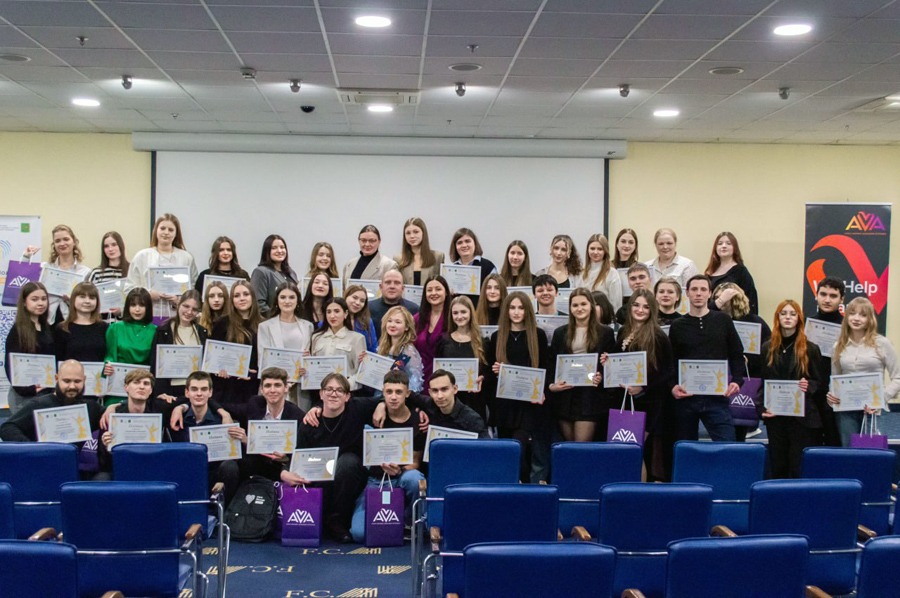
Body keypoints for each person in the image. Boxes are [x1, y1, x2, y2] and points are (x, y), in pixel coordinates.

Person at [281, 373, 379, 543]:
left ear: (347, 396)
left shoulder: (357, 408)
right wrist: (284, 473)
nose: (334, 394)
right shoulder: (309, 423)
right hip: (319, 476)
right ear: (321, 394)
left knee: (347, 463)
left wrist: (381, 406)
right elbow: (297, 457)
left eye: (339, 390)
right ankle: (319, 518)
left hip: (351, 474)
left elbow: (391, 398)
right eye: (329, 389)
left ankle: (337, 522)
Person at [349, 370, 426, 542]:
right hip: (376, 480)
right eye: (389, 392)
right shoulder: (372, 414)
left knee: (415, 479)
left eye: (399, 392)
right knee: (359, 534)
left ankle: (409, 521)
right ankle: (391, 521)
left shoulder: (418, 421)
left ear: (407, 393)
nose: (393, 397)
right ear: (383, 393)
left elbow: (415, 462)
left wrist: (399, 470)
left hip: (402, 477)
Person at [606, 290, 675, 481]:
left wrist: (642, 388)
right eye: (636, 305)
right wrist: (608, 361)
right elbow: (618, 362)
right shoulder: (624, 331)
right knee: (623, 450)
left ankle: (639, 491)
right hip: (624, 400)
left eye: (646, 306)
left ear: (652, 310)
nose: (640, 310)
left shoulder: (658, 336)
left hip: (648, 403)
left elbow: (668, 371)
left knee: (635, 448)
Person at [669, 275, 744, 442]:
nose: (698, 293)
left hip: (717, 398)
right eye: (694, 289)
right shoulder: (677, 325)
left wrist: (737, 380)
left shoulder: (723, 320)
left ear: (710, 293)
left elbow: (736, 353)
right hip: (686, 398)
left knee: (727, 445)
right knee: (685, 448)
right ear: (687, 293)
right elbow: (671, 361)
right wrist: (672, 386)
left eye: (703, 289)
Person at [487, 291, 550, 483]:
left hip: (528, 404)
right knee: (508, 450)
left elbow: (545, 366)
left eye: (521, 308)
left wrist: (543, 392)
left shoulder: (538, 335)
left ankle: (525, 484)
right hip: (505, 405)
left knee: (520, 446)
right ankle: (511, 485)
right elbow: (490, 372)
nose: (516, 312)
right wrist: (495, 370)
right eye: (512, 308)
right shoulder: (497, 336)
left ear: (527, 311)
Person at [760, 301, 823, 478]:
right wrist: (762, 409)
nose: (788, 317)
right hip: (776, 416)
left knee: (797, 465)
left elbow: (819, 381)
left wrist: (808, 385)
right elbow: (763, 382)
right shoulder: (767, 348)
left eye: (792, 314)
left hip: (801, 418)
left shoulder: (810, 349)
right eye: (783, 313)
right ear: (777, 318)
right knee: (778, 463)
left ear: (799, 319)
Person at [827, 297, 900, 446]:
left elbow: (898, 377)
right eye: (852, 313)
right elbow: (835, 378)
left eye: (863, 315)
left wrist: (882, 398)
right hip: (846, 410)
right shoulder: (838, 346)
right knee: (849, 452)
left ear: (870, 319)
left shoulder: (882, 343)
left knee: (871, 453)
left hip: (874, 411)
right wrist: (831, 395)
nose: (856, 318)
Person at [0, 360, 104, 462]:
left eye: (77, 381)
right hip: (40, 463)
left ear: (84, 380)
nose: (72, 386)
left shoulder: (90, 407)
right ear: (56, 378)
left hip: (70, 465)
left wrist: (111, 407)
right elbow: (7, 428)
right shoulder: (39, 404)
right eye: (66, 381)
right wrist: (32, 448)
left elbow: (110, 416)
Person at [548, 289, 614, 442]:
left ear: (591, 306)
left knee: (581, 446)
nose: (579, 308)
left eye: (583, 304)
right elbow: (552, 363)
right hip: (565, 397)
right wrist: (552, 385)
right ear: (570, 308)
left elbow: (609, 365)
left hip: (590, 398)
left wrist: (601, 376)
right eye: (575, 305)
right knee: (569, 447)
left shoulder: (605, 333)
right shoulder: (560, 333)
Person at [169, 370, 242, 506]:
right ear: (187, 393)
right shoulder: (176, 419)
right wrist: (179, 407)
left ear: (210, 392)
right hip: (186, 473)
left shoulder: (223, 420)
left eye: (203, 389)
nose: (199, 393)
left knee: (230, 467)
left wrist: (223, 480)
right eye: (194, 389)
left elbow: (232, 456)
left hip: (213, 474)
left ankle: (223, 513)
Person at [713, 282, 771, 441]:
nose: (720, 302)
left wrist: (749, 359)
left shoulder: (755, 321)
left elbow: (769, 350)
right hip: (719, 379)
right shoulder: (714, 320)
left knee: (739, 426)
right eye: (717, 298)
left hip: (746, 378)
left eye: (724, 299)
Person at [230, 367, 306, 482]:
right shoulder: (255, 404)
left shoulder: (298, 415)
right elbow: (228, 408)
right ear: (261, 389)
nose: (272, 390)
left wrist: (286, 457)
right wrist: (224, 414)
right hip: (255, 467)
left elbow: (302, 451)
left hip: (283, 469)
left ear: (286, 388)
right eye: (268, 386)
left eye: (277, 385)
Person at [127, 214, 198, 324]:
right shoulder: (142, 256)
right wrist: (147, 295)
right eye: (162, 228)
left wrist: (180, 300)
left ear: (176, 233)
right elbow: (129, 288)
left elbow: (193, 288)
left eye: (171, 230)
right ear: (156, 230)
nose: (166, 232)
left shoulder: (186, 258)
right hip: (148, 316)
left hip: (178, 317)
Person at [23, 224, 91, 325]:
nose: (62, 243)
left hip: (73, 322)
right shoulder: (44, 268)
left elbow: (89, 302)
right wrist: (26, 257)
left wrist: (72, 300)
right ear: (54, 245)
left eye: (66, 239)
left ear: (74, 242)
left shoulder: (85, 272)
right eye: (57, 241)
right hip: (46, 322)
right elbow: (23, 279)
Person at [4, 282, 54, 414]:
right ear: (24, 303)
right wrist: (28, 389)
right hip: (24, 396)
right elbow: (10, 365)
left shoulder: (47, 328)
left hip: (46, 393)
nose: (40, 303)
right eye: (34, 299)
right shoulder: (18, 330)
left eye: (43, 299)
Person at [210, 280, 261, 407]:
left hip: (254, 390)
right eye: (236, 295)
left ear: (253, 297)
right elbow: (213, 358)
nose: (242, 298)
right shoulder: (222, 324)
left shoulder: (263, 324)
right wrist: (218, 369)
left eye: (246, 294)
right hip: (227, 390)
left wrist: (255, 375)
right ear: (232, 300)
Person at [436, 296, 488, 421]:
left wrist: (483, 378)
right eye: (455, 313)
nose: (459, 316)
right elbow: (438, 371)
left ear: (471, 313)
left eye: (463, 312)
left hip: (474, 401)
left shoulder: (483, 342)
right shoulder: (443, 340)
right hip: (450, 401)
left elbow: (488, 371)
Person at [149, 290, 207, 401]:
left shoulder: (202, 332)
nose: (189, 312)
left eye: (194, 309)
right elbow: (155, 364)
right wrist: (160, 393)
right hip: (169, 391)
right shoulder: (163, 330)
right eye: (186, 306)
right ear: (179, 304)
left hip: (195, 391)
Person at [104, 288, 156, 405]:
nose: (137, 309)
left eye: (141, 305)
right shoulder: (115, 328)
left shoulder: (155, 331)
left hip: (144, 388)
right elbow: (110, 356)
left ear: (148, 307)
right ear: (127, 307)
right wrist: (107, 366)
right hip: (117, 386)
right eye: (133, 305)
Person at [809, 276, 844, 446]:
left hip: (836, 393)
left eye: (833, 296)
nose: (827, 300)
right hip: (812, 390)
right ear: (816, 296)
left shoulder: (848, 327)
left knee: (834, 439)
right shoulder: (807, 325)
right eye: (823, 294)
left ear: (841, 299)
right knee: (811, 441)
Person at [310, 298, 367, 392]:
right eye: (328, 312)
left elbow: (361, 371)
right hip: (321, 391)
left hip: (347, 391)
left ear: (345, 313)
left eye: (337, 311)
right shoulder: (316, 337)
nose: (332, 316)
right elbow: (313, 367)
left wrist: (344, 386)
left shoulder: (357, 338)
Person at [54, 282, 108, 364]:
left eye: (92, 298)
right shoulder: (62, 328)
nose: (87, 301)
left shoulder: (104, 327)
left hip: (98, 372)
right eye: (82, 297)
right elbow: (58, 359)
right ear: (73, 299)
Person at [706, 232, 759, 315]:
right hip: (713, 316)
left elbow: (751, 299)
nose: (724, 246)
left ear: (734, 248)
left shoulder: (741, 271)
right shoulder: (709, 272)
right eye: (720, 243)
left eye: (728, 243)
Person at [423, 369, 488, 436]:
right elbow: (416, 397)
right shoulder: (429, 407)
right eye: (435, 390)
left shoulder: (472, 419)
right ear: (430, 393)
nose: (440, 396)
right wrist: (419, 409)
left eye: (444, 389)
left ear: (455, 389)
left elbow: (485, 442)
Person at [377, 306, 424, 394]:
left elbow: (416, 384)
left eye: (398, 322)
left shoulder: (409, 351)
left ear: (407, 327)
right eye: (389, 321)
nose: (392, 325)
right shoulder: (382, 347)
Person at [250, 234, 298, 319]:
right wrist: (278, 319)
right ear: (267, 251)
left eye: (282, 247)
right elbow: (259, 304)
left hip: (292, 321)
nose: (279, 251)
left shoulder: (292, 273)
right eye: (274, 248)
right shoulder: (261, 272)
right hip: (270, 322)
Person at [414, 276, 450, 382]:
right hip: (419, 377)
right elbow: (407, 348)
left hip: (445, 377)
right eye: (429, 290)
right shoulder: (416, 319)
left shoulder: (454, 318)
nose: (433, 293)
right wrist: (398, 365)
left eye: (438, 289)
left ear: (446, 292)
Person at [88, 231, 130, 320]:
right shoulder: (96, 273)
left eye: (114, 244)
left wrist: (122, 311)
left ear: (121, 246)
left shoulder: (131, 271)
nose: (110, 249)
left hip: (125, 324)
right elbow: (88, 297)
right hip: (101, 322)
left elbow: (137, 300)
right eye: (106, 246)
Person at [449, 228, 497, 304]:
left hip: (483, 310)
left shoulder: (488, 267)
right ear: (455, 247)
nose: (464, 245)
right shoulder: (451, 270)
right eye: (459, 243)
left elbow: (496, 292)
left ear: (475, 243)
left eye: (467, 241)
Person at [367, 269, 419, 336]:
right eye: (388, 282)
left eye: (397, 283)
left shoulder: (414, 310)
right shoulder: (368, 309)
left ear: (403, 288)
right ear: (381, 287)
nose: (392, 286)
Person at [395, 217, 444, 285]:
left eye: (416, 232)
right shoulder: (398, 259)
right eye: (408, 233)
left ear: (423, 233)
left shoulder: (438, 257)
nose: (412, 236)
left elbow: (442, 284)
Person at [580, 234, 623, 310]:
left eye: (600, 249)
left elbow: (616, 304)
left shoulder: (612, 273)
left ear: (605, 251)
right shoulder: (581, 272)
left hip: (605, 316)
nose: (595, 252)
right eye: (592, 248)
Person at [344, 284, 378, 352]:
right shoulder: (335, 318)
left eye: (362, 301)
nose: (357, 303)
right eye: (355, 297)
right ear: (346, 296)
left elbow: (373, 348)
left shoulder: (367, 322)